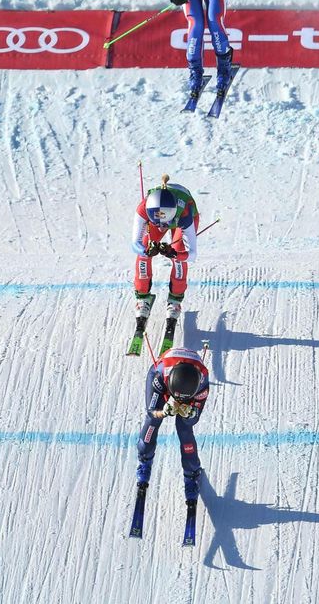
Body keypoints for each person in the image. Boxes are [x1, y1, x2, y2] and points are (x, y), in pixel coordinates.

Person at [128, 175, 200, 356]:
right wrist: (145, 251)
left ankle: (175, 301)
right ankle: (142, 297)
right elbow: (134, 244)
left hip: (185, 215)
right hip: (163, 215)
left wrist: (176, 254)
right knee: (144, 250)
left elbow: (192, 255)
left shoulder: (184, 214)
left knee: (179, 250)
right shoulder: (143, 209)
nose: (163, 227)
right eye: (158, 223)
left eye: (166, 223)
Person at [136, 345, 211, 506]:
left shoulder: (202, 382)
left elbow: (194, 419)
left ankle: (191, 472)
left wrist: (189, 414)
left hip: (187, 387)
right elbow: (152, 412)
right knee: (153, 421)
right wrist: (162, 412)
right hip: (165, 377)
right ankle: (144, 458)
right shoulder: (160, 374)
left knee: (184, 428)